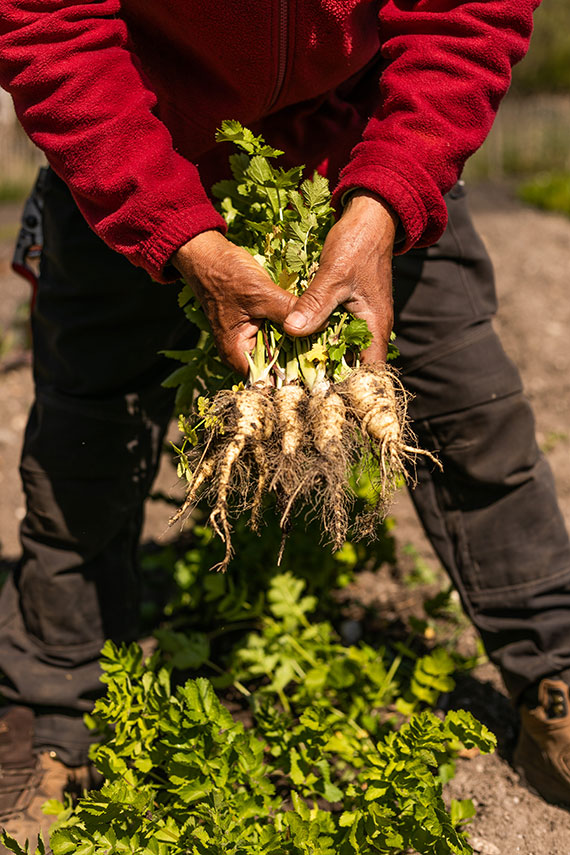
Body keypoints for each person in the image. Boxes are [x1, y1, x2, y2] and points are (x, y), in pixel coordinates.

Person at [1, 0, 570, 845]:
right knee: (84, 444)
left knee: (473, 417)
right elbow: (53, 28)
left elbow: (467, 13)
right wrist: (175, 229)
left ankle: (552, 671)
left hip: (365, 142)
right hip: (140, 138)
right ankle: (52, 707)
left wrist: (387, 196)